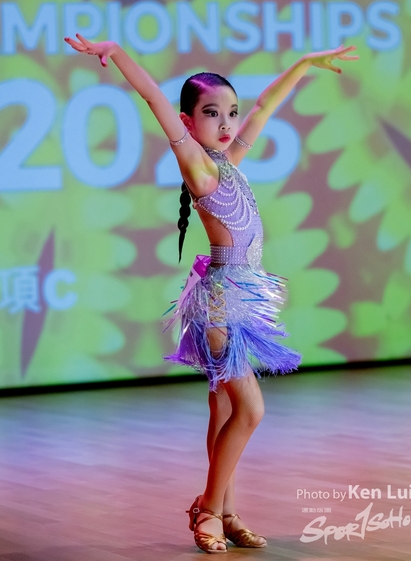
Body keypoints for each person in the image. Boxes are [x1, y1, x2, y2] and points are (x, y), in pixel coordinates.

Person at [64, 34, 358, 553]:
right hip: (220, 304)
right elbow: (154, 97)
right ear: (187, 121)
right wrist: (118, 52)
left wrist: (304, 63)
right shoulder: (198, 168)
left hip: (244, 298)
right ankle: (207, 508)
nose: (226, 123)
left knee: (224, 411)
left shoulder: (229, 160)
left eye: (231, 113)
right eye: (211, 113)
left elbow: (265, 106)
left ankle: (226, 513)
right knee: (251, 410)